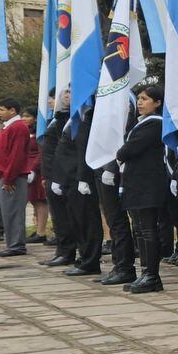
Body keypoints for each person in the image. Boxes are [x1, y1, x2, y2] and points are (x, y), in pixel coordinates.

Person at [113, 86, 170, 294]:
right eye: (138, 98)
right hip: (137, 185)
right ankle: (145, 272)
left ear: (157, 103)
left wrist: (120, 153)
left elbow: (129, 149)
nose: (140, 102)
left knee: (148, 230)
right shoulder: (141, 123)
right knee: (140, 230)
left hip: (148, 186)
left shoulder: (155, 124)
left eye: (145, 99)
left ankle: (152, 275)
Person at [54, 98, 105, 276]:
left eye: (72, 91)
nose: (68, 95)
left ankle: (90, 261)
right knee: (77, 221)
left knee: (87, 222)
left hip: (80, 179)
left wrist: (84, 178)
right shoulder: (74, 117)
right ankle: (84, 258)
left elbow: (84, 150)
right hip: (69, 178)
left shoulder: (88, 117)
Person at [94, 105, 137, 287]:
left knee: (118, 221)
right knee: (112, 220)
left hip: (114, 170)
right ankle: (118, 264)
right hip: (102, 167)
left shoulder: (122, 99)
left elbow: (119, 138)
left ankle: (125, 267)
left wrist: (111, 168)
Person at [0, 99, 34, 257]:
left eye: (1, 109)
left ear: (12, 110)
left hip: (12, 177)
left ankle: (16, 245)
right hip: (4, 175)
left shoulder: (18, 127)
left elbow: (16, 155)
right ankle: (12, 243)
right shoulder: (9, 126)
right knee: (8, 211)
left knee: (13, 211)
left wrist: (9, 178)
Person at [40, 94, 76, 266]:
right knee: (58, 217)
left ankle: (68, 252)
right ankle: (61, 250)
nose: (51, 101)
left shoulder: (70, 119)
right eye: (64, 94)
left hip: (62, 175)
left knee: (67, 217)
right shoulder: (57, 119)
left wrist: (57, 176)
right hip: (50, 174)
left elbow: (64, 152)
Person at [21, 107, 50, 244]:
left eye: (27, 116)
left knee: (39, 200)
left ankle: (41, 231)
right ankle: (38, 229)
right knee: (33, 200)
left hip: (37, 171)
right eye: (23, 116)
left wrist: (33, 168)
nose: (24, 119)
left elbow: (41, 152)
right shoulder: (24, 132)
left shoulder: (39, 133)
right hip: (25, 169)